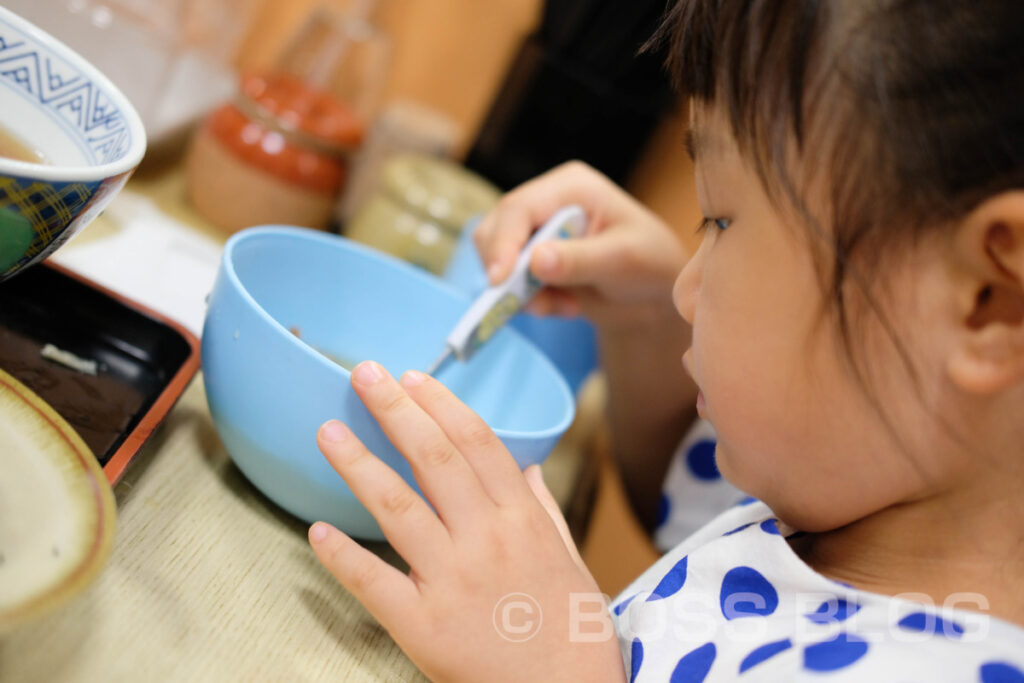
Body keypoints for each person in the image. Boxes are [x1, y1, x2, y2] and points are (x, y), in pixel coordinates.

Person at [306, 0, 1024, 680]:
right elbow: (682, 501)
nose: (688, 287)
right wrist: (646, 320)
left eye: (721, 220)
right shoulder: (857, 490)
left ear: (986, 303)